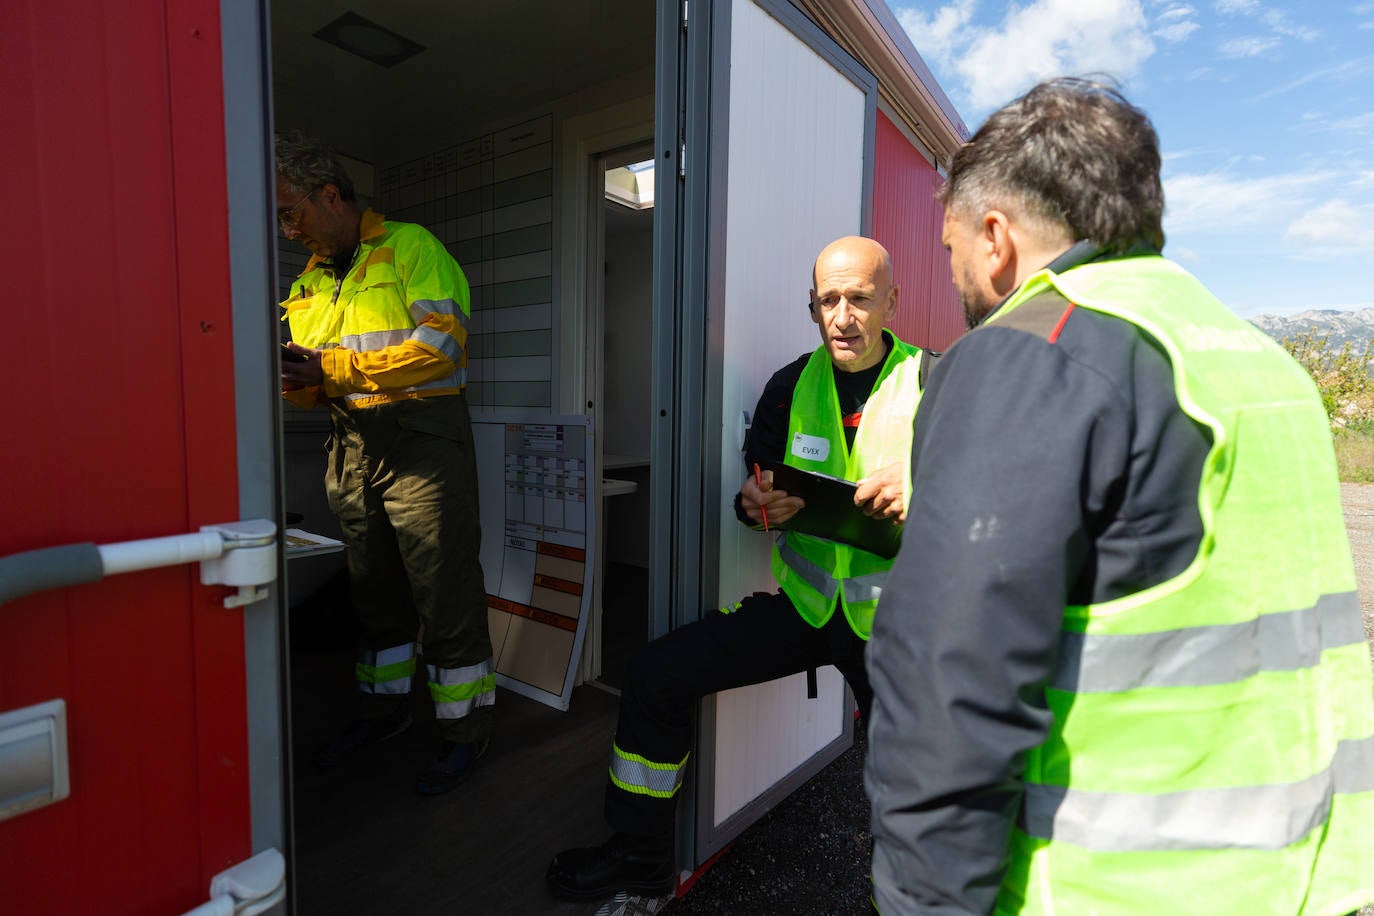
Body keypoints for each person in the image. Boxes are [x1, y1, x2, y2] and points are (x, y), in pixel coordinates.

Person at [865, 77, 1374, 915]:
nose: (954, 277)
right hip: (1303, 876)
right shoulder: (1253, 357)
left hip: (1118, 886)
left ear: (995, 238)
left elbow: (951, 690)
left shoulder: (1031, 348)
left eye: (951, 249)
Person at [546, 236, 925, 905]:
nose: (845, 316)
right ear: (812, 307)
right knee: (653, 675)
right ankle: (640, 864)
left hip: (894, 627)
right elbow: (755, 497)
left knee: (914, 780)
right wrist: (754, 507)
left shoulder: (936, 384)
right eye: (830, 300)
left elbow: (994, 499)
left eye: (861, 298)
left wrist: (924, 483)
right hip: (807, 611)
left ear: (890, 300)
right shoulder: (787, 387)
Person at [276, 133, 494, 796]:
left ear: (332, 196)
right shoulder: (308, 282)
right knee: (372, 596)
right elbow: (318, 383)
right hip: (350, 447)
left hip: (423, 447)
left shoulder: (412, 247)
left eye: (293, 212)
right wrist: (294, 378)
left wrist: (332, 368)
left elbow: (442, 347)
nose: (287, 228)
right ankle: (384, 715)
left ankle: (465, 733)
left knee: (444, 593)